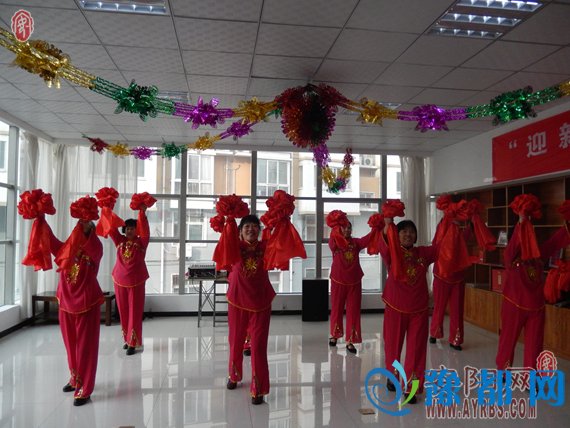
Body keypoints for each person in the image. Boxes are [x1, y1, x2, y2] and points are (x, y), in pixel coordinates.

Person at [496, 215, 570, 371]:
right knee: (508, 340)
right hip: (514, 306)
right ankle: (503, 370)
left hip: (536, 308)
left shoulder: (537, 256)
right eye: (527, 234)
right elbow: (514, 244)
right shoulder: (511, 256)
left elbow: (553, 243)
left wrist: (567, 227)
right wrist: (522, 221)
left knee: (535, 345)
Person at [379, 218, 437, 403]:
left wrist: (449, 223)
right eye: (403, 231)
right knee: (393, 346)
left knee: (416, 350)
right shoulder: (392, 252)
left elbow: (443, 246)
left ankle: (411, 388)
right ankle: (393, 376)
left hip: (418, 310)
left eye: (411, 231)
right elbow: (384, 243)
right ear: (397, 235)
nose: (408, 234)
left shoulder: (423, 253)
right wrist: (388, 224)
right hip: (395, 307)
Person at [47, 219, 104, 407]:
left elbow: (93, 247)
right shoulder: (67, 248)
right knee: (70, 345)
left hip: (87, 302)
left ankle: (84, 388)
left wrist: (87, 228)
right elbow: (50, 241)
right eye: (80, 223)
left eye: (86, 224)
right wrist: (40, 219)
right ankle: (75, 378)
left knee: (86, 347)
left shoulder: (95, 248)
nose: (81, 225)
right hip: (65, 302)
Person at [226, 215, 275, 405]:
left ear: (259, 231)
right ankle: (234, 375)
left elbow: (281, 243)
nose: (251, 229)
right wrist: (229, 220)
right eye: (247, 226)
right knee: (235, 341)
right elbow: (225, 240)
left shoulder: (265, 247)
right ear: (240, 231)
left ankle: (259, 388)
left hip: (261, 302)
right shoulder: (235, 247)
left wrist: (281, 221)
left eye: (255, 226)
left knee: (259, 346)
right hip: (237, 300)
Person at [109, 207, 150, 355]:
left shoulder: (142, 242)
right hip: (119, 280)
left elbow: (145, 231)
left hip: (136, 281)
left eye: (132, 228)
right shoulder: (120, 241)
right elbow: (111, 229)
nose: (129, 231)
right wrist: (107, 209)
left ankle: (134, 342)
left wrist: (142, 213)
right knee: (123, 311)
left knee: (135, 312)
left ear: (136, 230)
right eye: (127, 229)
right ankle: (127, 340)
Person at [328, 221, 371, 354]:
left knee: (353, 311)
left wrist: (376, 228)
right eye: (344, 227)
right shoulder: (335, 242)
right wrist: (336, 223)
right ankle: (334, 335)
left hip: (354, 282)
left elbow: (367, 239)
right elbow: (332, 239)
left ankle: (350, 341)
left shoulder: (356, 243)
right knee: (337, 308)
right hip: (338, 280)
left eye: (349, 228)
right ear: (339, 229)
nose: (347, 230)